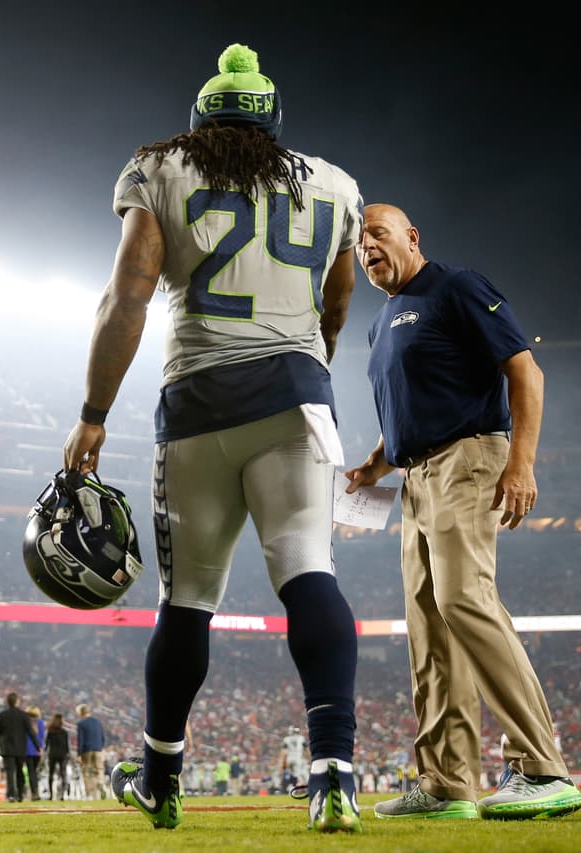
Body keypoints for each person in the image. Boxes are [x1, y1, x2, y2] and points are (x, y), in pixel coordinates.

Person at [62, 43, 363, 834]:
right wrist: (308, 369)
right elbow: (337, 304)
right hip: (297, 397)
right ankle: (334, 773)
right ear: (273, 120)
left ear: (202, 118)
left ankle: (161, 777)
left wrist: (93, 413)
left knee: (186, 601)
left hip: (197, 401)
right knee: (307, 567)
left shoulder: (160, 167)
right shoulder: (333, 183)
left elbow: (129, 292)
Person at [345, 202, 581, 821]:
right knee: (427, 628)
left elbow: (525, 373)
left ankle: (542, 767)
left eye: (377, 233)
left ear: (411, 237)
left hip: (467, 458)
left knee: (463, 599)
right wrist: (377, 463)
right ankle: (448, 783)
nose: (366, 246)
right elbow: (407, 406)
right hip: (416, 477)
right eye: (357, 241)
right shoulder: (380, 322)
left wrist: (522, 463)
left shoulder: (455, 286)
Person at [0, 692, 39, 803]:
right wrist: (37, 746)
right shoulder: (23, 715)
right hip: (20, 748)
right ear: (17, 701)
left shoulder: (2, 715)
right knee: (19, 771)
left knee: (9, 772)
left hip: (7, 748)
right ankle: (20, 794)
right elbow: (30, 732)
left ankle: (11, 795)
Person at [74, 704, 107, 801]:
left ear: (81, 712)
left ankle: (89, 794)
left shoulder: (81, 723)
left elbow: (81, 739)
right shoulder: (98, 722)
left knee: (86, 772)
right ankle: (101, 783)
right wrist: (100, 748)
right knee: (99, 770)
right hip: (98, 749)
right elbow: (103, 737)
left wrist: (79, 754)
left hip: (86, 750)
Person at [45, 713, 71, 800]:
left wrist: (45, 753)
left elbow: (46, 744)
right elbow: (67, 746)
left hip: (52, 754)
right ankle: (62, 795)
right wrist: (68, 755)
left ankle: (51, 795)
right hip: (62, 755)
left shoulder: (50, 731)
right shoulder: (64, 732)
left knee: (51, 774)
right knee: (63, 774)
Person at [24, 706, 45, 800]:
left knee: (31, 772)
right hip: (37, 751)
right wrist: (41, 749)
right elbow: (41, 736)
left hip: (27, 750)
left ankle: (34, 793)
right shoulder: (40, 722)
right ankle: (35, 792)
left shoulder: (25, 722)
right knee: (34, 773)